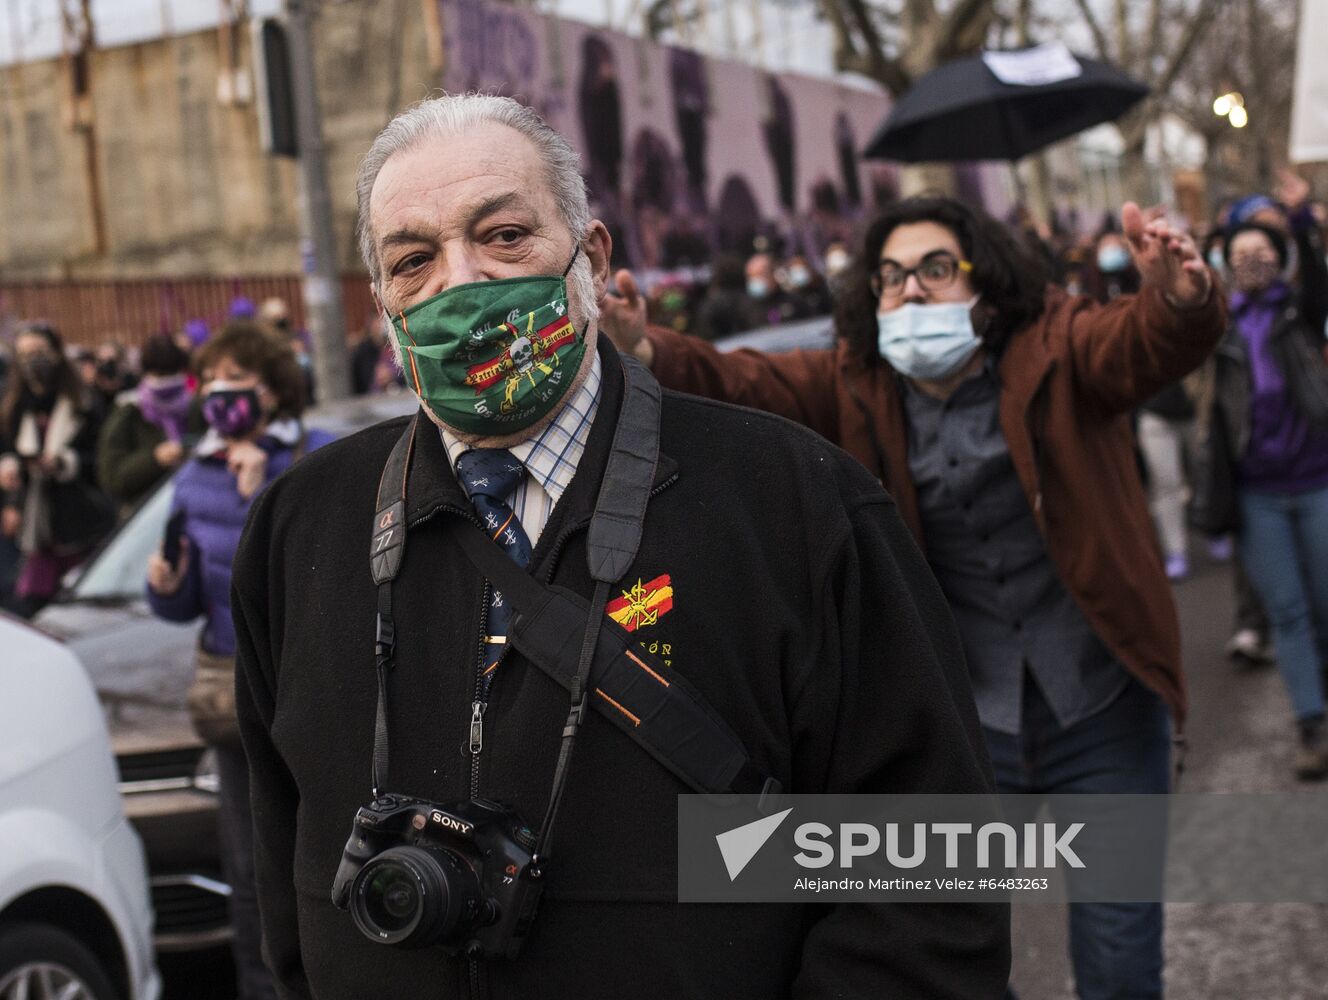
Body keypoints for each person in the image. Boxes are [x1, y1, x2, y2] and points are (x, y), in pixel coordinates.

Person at [231, 94, 1008, 1000]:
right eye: (414, 260)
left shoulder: (795, 506)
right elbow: (288, 886)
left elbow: (927, 873)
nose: (462, 281)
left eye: (505, 234)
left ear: (591, 259)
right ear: (384, 306)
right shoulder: (301, 531)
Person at [604, 194, 1224, 999]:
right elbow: (742, 382)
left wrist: (1179, 296)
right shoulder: (853, 385)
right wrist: (644, 346)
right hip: (969, 733)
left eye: (936, 269)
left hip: (1102, 712)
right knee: (955, 949)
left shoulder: (1059, 349)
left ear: (986, 287)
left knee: (1119, 958)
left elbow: (1142, 340)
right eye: (890, 277)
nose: (910, 291)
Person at [146, 322, 333, 1000]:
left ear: (273, 390)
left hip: (316, 694)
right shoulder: (193, 478)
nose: (225, 396)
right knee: (253, 875)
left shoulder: (314, 459)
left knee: (323, 858)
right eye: (214, 381)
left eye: (240, 382)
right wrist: (163, 588)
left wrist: (261, 492)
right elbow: (188, 599)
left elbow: (321, 573)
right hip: (236, 702)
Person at [1201, 220, 1328, 778]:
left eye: (1262, 251)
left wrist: (1299, 218)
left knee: (1325, 603)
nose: (1252, 261)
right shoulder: (1221, 329)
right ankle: (1311, 723)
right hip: (1258, 496)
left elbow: (1318, 277)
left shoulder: (1303, 312)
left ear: (1283, 257)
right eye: (1239, 253)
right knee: (1288, 611)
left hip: (1319, 480)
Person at [0, 323, 115, 616]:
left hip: (82, 519)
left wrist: (66, 462)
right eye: (25, 355)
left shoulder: (85, 402)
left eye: (39, 352)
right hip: (37, 524)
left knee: (78, 605)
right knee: (29, 604)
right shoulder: (13, 407)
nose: (33, 362)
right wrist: (12, 469)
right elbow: (10, 450)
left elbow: (103, 459)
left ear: (56, 353)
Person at [97, 332, 202, 514]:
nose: (165, 382)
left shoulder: (196, 406)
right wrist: (154, 459)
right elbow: (111, 476)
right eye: (159, 373)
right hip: (144, 514)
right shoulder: (128, 410)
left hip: (192, 509)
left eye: (171, 373)